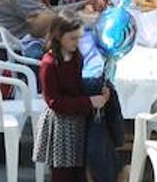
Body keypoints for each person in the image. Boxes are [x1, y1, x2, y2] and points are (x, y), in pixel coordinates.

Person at [34, 12, 111, 182]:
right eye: (73, 38)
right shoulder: (49, 64)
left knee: (79, 171)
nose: (77, 43)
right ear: (59, 36)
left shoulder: (76, 56)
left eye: (79, 38)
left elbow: (76, 86)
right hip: (61, 125)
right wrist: (89, 102)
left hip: (77, 120)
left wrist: (98, 94)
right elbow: (54, 102)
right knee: (62, 173)